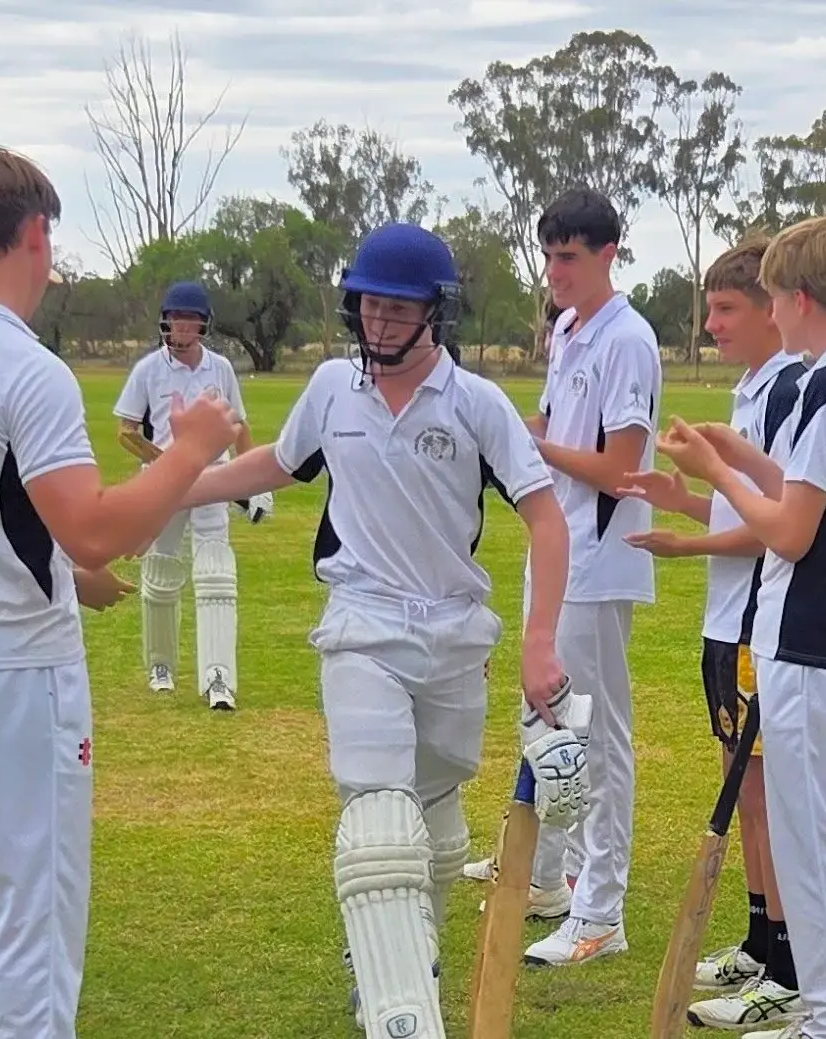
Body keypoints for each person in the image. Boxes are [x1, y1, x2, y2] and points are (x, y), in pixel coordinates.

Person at [177, 222, 588, 1037]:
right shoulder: (332, 387)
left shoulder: (475, 403)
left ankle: (409, 956)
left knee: (434, 820)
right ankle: (391, 996)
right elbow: (275, 466)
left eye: (400, 308)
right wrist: (173, 487)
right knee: (376, 810)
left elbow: (547, 519)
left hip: (453, 631)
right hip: (360, 623)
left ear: (436, 313)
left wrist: (539, 643)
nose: (381, 322)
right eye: (369, 304)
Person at [0, 146, 235, 1039]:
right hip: (7, 664)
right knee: (30, 909)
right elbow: (94, 528)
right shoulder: (24, 367)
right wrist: (189, 450)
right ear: (35, 233)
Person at [654, 208, 826, 1039]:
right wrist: (734, 458)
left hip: (807, 636)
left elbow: (791, 531)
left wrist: (713, 475)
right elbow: (804, 489)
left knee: (816, 843)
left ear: (797, 298)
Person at [462, 188, 663, 969]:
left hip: (601, 561)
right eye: (547, 254)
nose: (554, 271)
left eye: (568, 256)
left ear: (608, 255)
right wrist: (505, 432)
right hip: (556, 551)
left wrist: (533, 448)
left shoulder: (629, 340)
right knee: (550, 727)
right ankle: (553, 878)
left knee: (596, 739)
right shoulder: (570, 330)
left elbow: (620, 467)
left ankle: (601, 912)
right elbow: (551, 429)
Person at [619, 234, 808, 1031]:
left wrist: (686, 543)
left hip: (753, 625)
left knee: (763, 800)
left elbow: (778, 527)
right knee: (746, 789)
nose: (711, 326)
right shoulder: (748, 389)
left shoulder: (784, 392)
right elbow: (739, 508)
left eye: (726, 308)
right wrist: (681, 501)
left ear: (773, 308)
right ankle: (761, 941)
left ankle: (790, 968)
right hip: (724, 623)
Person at [113, 281, 268, 709]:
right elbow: (125, 432)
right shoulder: (148, 370)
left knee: (217, 574)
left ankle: (218, 678)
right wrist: (166, 463)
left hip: (212, 480)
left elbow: (238, 426)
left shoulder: (220, 369)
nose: (181, 326)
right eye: (175, 318)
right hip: (164, 484)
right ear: (165, 322)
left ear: (202, 324)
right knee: (162, 573)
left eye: (189, 319)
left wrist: (251, 482)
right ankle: (160, 666)